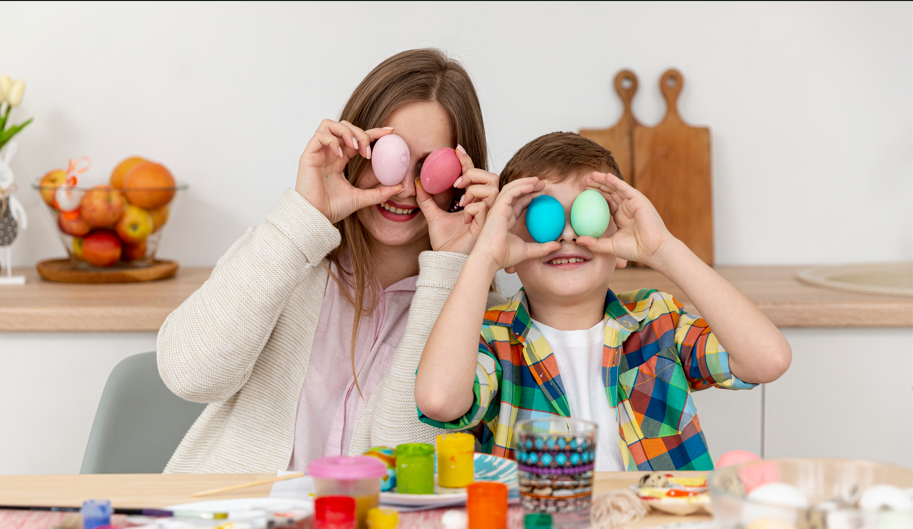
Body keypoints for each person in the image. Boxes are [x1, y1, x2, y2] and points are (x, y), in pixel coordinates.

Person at [157, 49, 501, 473]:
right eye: (387, 154)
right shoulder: (288, 255)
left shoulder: (472, 312)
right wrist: (303, 215)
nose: (406, 188)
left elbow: (408, 463)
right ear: (354, 148)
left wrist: (448, 269)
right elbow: (189, 376)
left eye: (431, 167)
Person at [415, 132, 792, 470]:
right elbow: (438, 400)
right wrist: (485, 256)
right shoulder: (491, 338)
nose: (566, 234)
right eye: (540, 217)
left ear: (622, 241)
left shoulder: (656, 322)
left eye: (586, 215)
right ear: (510, 249)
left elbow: (767, 359)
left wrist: (662, 249)